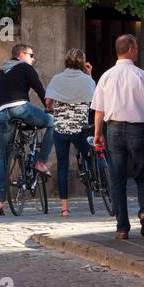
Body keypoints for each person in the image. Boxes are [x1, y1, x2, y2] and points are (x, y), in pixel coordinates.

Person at [91, 34, 144, 240]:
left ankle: (122, 227)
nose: (137, 51)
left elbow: (99, 111)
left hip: (113, 129)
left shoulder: (106, 76)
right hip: (138, 129)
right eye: (137, 48)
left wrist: (97, 134)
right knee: (142, 174)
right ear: (131, 49)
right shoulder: (143, 76)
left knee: (117, 179)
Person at [0, 42, 54, 216]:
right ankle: (40, 162)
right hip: (20, 108)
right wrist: (48, 108)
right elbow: (41, 90)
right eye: (31, 55)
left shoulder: (3, 70)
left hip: (2, 113)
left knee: (4, 157)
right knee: (51, 123)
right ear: (21, 55)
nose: (33, 59)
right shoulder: (25, 68)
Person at [44, 48, 97, 217]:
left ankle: (64, 208)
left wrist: (51, 108)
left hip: (60, 129)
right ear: (83, 63)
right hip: (79, 129)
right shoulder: (87, 80)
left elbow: (48, 102)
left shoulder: (57, 79)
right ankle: (94, 178)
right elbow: (95, 100)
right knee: (89, 154)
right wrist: (89, 74)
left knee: (63, 166)